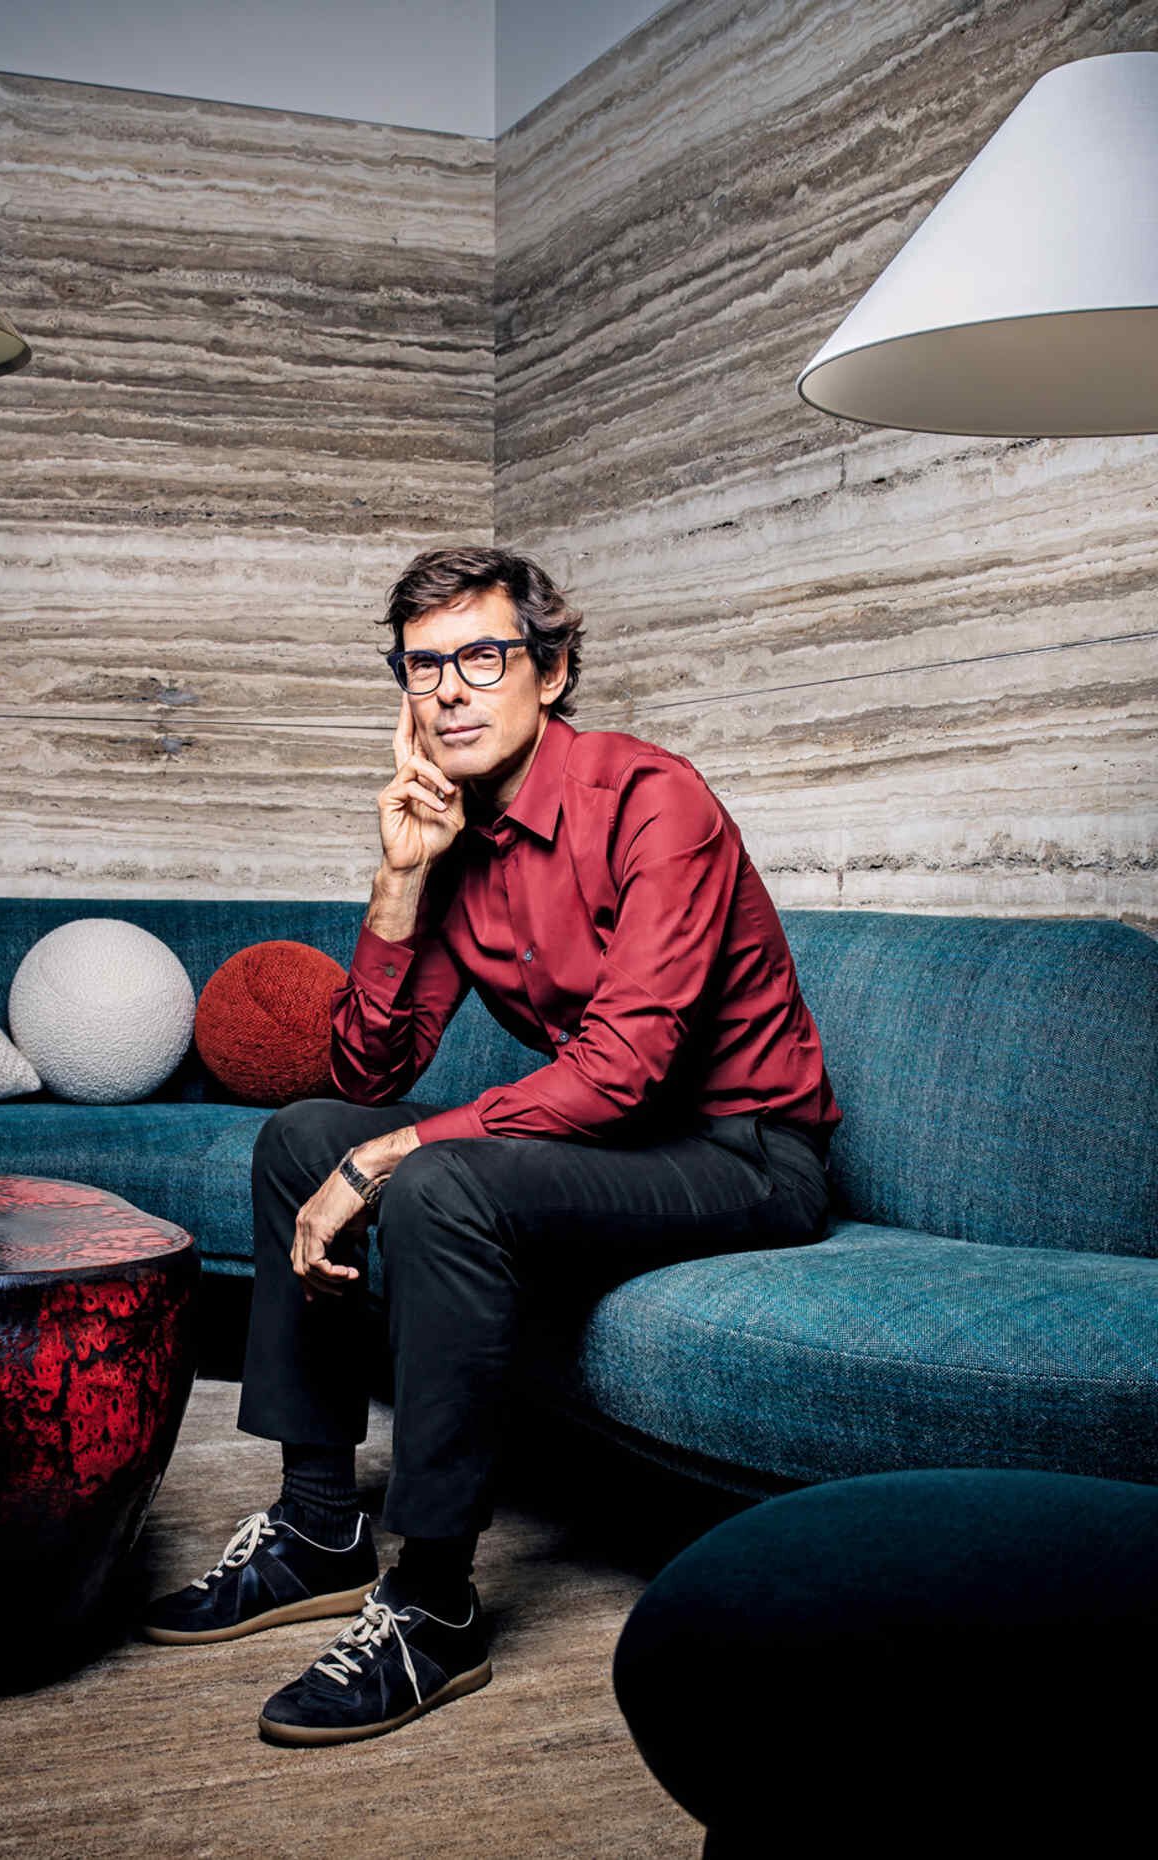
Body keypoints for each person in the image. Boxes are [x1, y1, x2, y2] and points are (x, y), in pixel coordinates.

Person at [141, 544, 843, 1747]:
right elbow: (366, 1076)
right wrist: (400, 878)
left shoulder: (653, 800)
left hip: (744, 1153)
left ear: (550, 671)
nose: (449, 692)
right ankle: (318, 1526)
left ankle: (435, 1603)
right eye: (423, 668)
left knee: (434, 1180)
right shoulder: (457, 836)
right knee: (304, 1138)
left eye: (482, 657)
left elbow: (623, 1070)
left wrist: (389, 1159)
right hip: (613, 1144)